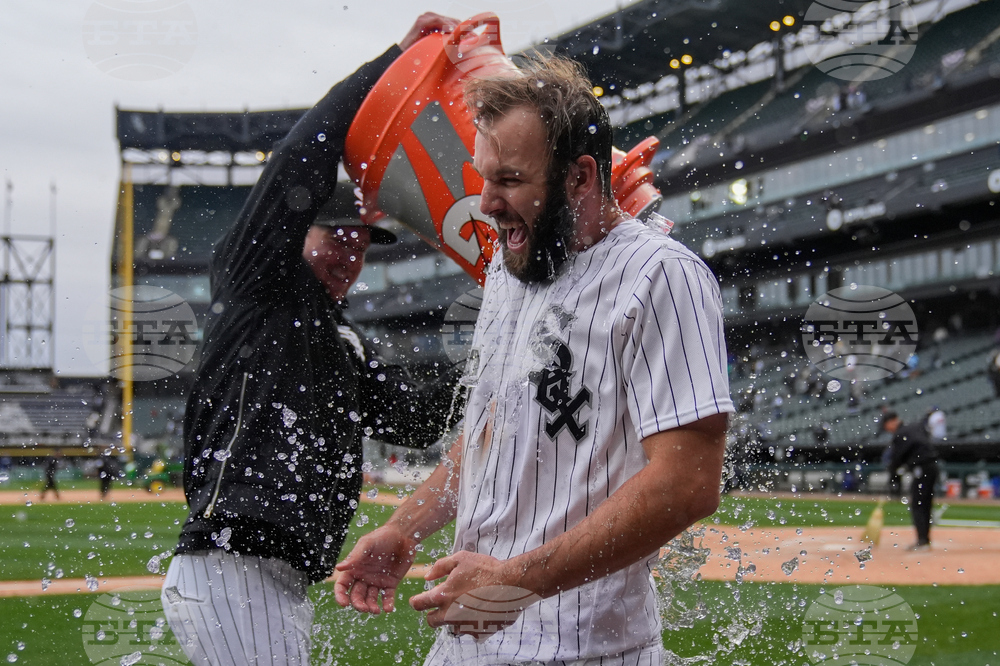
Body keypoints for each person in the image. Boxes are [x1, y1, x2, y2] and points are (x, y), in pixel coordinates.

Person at [334, 55, 733, 665]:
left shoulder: (664, 276)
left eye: (511, 180)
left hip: (585, 649)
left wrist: (515, 581)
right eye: (483, 177)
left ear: (579, 177)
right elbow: (494, 431)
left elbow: (688, 482)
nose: (487, 203)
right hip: (468, 641)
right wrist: (403, 529)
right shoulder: (509, 268)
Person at [160, 13, 462, 666]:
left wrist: (508, 362)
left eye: (360, 244)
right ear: (295, 233)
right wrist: (391, 64)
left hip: (276, 580)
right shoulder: (257, 285)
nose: (349, 256)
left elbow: (414, 416)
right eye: (335, 236)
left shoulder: (340, 342)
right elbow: (298, 158)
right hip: (230, 568)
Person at [880, 410, 940, 550]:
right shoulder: (914, 427)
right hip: (931, 468)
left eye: (886, 425)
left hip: (922, 469)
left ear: (892, 421)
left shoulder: (901, 434)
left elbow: (897, 458)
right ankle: (924, 539)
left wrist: (894, 479)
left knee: (918, 505)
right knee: (925, 504)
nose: (887, 429)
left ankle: (922, 540)